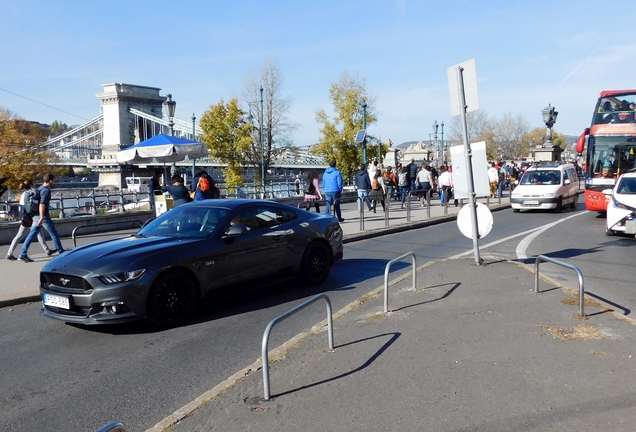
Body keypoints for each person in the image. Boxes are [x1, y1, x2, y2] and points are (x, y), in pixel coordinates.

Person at [18, 174, 65, 262]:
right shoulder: (46, 191)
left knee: (32, 235)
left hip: (35, 215)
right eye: (53, 180)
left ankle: (22, 254)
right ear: (50, 181)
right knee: (54, 233)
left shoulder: (39, 189)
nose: (54, 182)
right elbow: (42, 204)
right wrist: (42, 217)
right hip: (42, 216)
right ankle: (61, 251)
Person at [6, 180, 52, 260]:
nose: (34, 185)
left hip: (25, 217)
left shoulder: (24, 194)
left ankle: (47, 250)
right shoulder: (31, 193)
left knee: (37, 233)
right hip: (30, 217)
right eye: (33, 184)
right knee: (27, 234)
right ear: (31, 185)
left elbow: (22, 207)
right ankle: (18, 254)